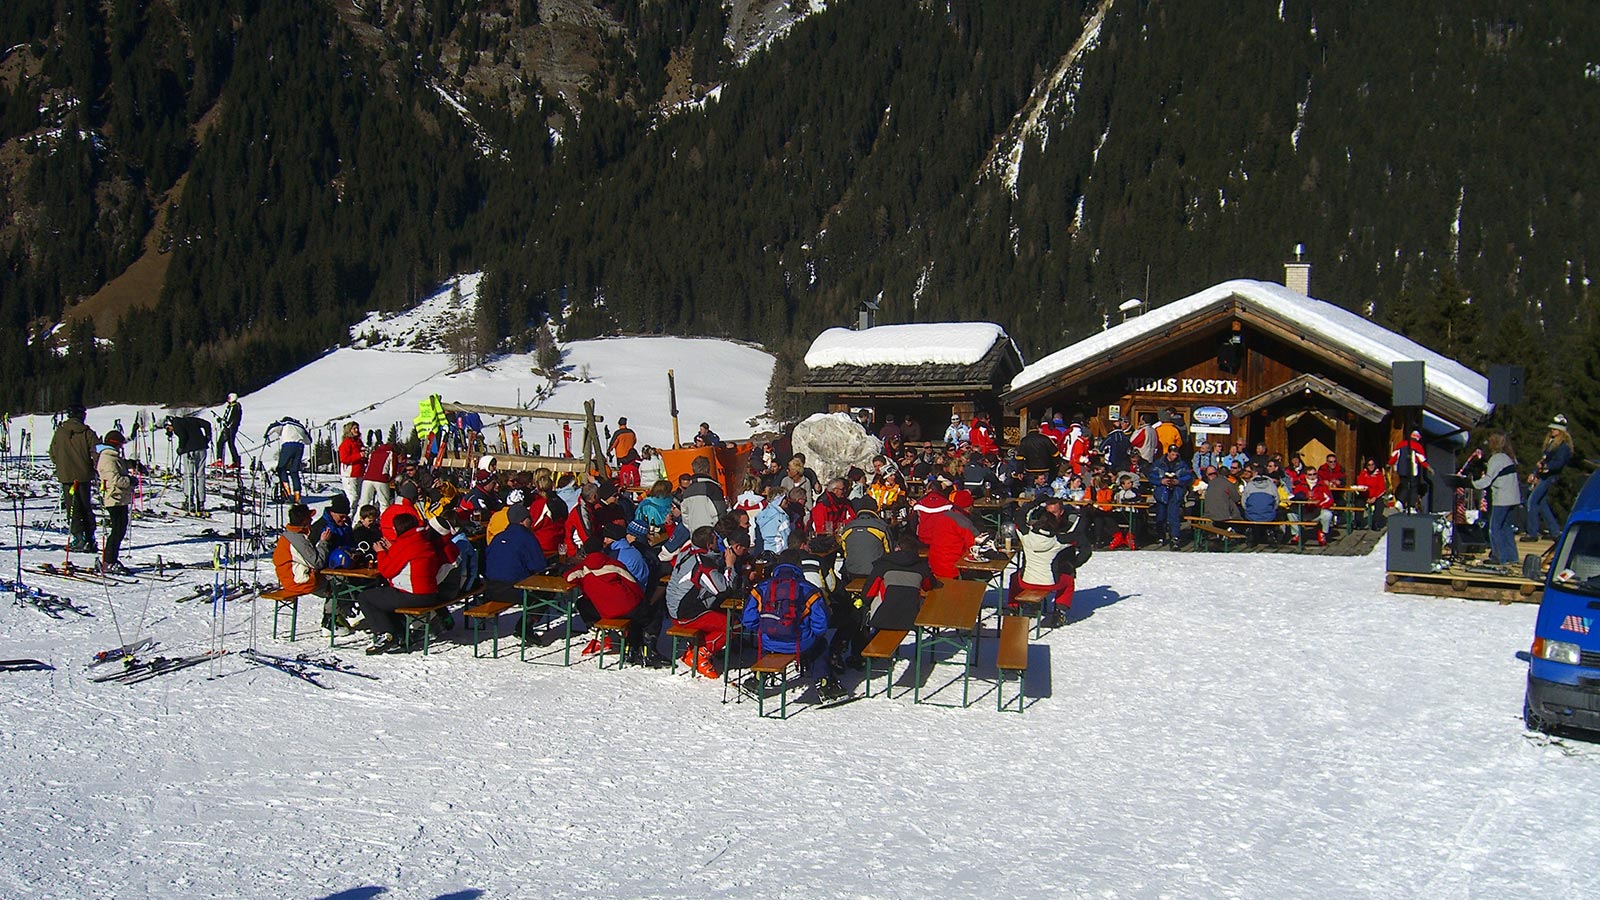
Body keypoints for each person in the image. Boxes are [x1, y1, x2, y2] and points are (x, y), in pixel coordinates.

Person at [742, 556, 842, 700]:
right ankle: (824, 682)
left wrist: (763, 629)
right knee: (820, 646)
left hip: (769, 641)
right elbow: (821, 625)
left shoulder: (761, 588)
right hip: (800, 642)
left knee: (768, 642)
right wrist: (809, 633)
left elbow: (748, 620)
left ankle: (758, 678)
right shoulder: (809, 589)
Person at [360, 512, 448, 654]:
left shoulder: (406, 544)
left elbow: (387, 571)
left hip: (414, 595)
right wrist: (393, 549)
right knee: (385, 597)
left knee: (366, 597)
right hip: (430, 593)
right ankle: (399, 635)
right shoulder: (421, 540)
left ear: (399, 529)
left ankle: (386, 634)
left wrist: (381, 552)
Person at [659, 525, 735, 678]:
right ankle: (700, 654)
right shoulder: (702, 564)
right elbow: (723, 588)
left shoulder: (687, 551)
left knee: (719, 613)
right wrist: (730, 565)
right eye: (715, 540)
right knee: (730, 624)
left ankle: (697, 648)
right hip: (685, 614)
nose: (718, 543)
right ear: (709, 545)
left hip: (675, 606)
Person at [50, 404, 99, 552]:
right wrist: (96, 468)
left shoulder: (60, 432)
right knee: (86, 506)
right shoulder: (87, 432)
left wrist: (61, 465)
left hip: (66, 477)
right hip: (83, 476)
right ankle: (89, 537)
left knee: (72, 508)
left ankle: (79, 537)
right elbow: (96, 452)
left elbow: (53, 452)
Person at [274, 503, 334, 622]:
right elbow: (317, 562)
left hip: (291, 577)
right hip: (299, 581)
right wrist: (323, 542)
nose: (312, 520)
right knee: (338, 587)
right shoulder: (297, 540)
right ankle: (331, 621)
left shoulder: (290, 535)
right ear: (305, 521)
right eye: (310, 518)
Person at [1471, 433, 1520, 565]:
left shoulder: (1496, 459)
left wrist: (1473, 484)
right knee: (1506, 527)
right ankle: (1512, 556)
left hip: (1502, 498)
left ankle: (1499, 557)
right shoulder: (1507, 458)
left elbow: (1487, 480)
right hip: (1514, 497)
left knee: (1494, 528)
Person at [1525, 415, 1574, 541]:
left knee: (1532, 501)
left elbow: (1559, 463)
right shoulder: (1550, 444)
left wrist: (1546, 467)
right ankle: (1554, 531)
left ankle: (1532, 532)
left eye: (1555, 429)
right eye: (1551, 429)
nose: (1552, 431)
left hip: (1549, 476)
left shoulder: (1563, 447)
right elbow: (1543, 459)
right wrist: (1535, 472)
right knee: (1541, 503)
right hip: (1543, 474)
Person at [96, 430, 138, 574]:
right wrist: (130, 481)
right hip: (113, 498)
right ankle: (108, 561)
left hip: (120, 498)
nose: (121, 448)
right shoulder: (107, 458)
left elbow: (120, 465)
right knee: (117, 530)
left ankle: (111, 560)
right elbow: (114, 479)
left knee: (120, 529)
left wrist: (132, 464)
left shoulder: (112, 457)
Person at [1146, 445, 1194, 548]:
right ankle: (1161, 536)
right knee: (1161, 516)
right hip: (1162, 493)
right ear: (1168, 453)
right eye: (1172, 454)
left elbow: (1189, 476)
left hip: (1175, 493)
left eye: (1176, 454)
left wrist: (1179, 481)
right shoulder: (1159, 463)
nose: (1174, 456)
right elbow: (1151, 476)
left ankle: (1175, 538)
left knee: (1174, 516)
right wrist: (1161, 481)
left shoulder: (1181, 464)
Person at [838, 498, 892, 578]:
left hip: (852, 571)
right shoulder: (881, 527)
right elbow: (889, 552)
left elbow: (846, 553)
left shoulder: (848, 528)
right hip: (876, 572)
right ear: (875, 510)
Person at [263, 416, 312, 503]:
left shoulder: (285, 423)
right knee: (294, 471)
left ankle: (286, 493)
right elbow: (309, 441)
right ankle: (298, 496)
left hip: (288, 445)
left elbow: (273, 426)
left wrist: (266, 435)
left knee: (281, 468)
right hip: (300, 447)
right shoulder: (300, 426)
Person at [1388, 430, 1431, 513]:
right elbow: (1421, 460)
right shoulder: (1417, 447)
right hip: (1412, 471)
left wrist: (1389, 464)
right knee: (1413, 488)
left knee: (1404, 485)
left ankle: (1400, 502)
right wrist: (1428, 467)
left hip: (1401, 471)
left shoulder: (1401, 444)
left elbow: (1394, 456)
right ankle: (1409, 506)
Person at [680, 455, 727, 532]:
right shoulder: (713, 488)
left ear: (693, 469)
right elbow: (720, 512)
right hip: (712, 534)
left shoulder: (687, 491)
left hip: (695, 534)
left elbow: (685, 516)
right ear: (708, 469)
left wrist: (692, 527)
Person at [337, 422, 365, 511]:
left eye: (357, 428)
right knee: (353, 498)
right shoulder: (346, 443)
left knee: (359, 498)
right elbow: (344, 458)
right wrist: (359, 455)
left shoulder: (359, 442)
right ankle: (348, 515)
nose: (357, 430)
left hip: (359, 472)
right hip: (349, 474)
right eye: (354, 429)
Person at [215, 393, 242, 469]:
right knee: (230, 444)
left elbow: (233, 418)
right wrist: (222, 420)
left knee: (221, 442)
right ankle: (236, 461)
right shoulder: (230, 406)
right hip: (229, 428)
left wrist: (228, 424)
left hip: (230, 429)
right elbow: (227, 417)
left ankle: (220, 460)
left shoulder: (235, 407)